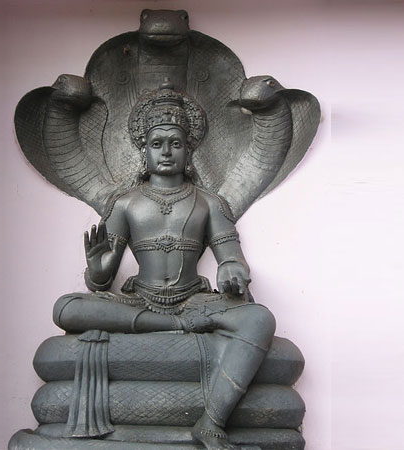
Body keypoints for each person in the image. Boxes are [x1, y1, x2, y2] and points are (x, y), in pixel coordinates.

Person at [53, 82, 276, 450]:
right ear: (144, 151)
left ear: (189, 151)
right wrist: (98, 269)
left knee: (260, 318)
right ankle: (173, 327)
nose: (167, 152)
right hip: (141, 299)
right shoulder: (125, 204)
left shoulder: (209, 202)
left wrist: (232, 272)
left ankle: (211, 422)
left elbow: (231, 255)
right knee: (65, 308)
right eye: (157, 144)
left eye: (176, 143)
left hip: (194, 301)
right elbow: (101, 281)